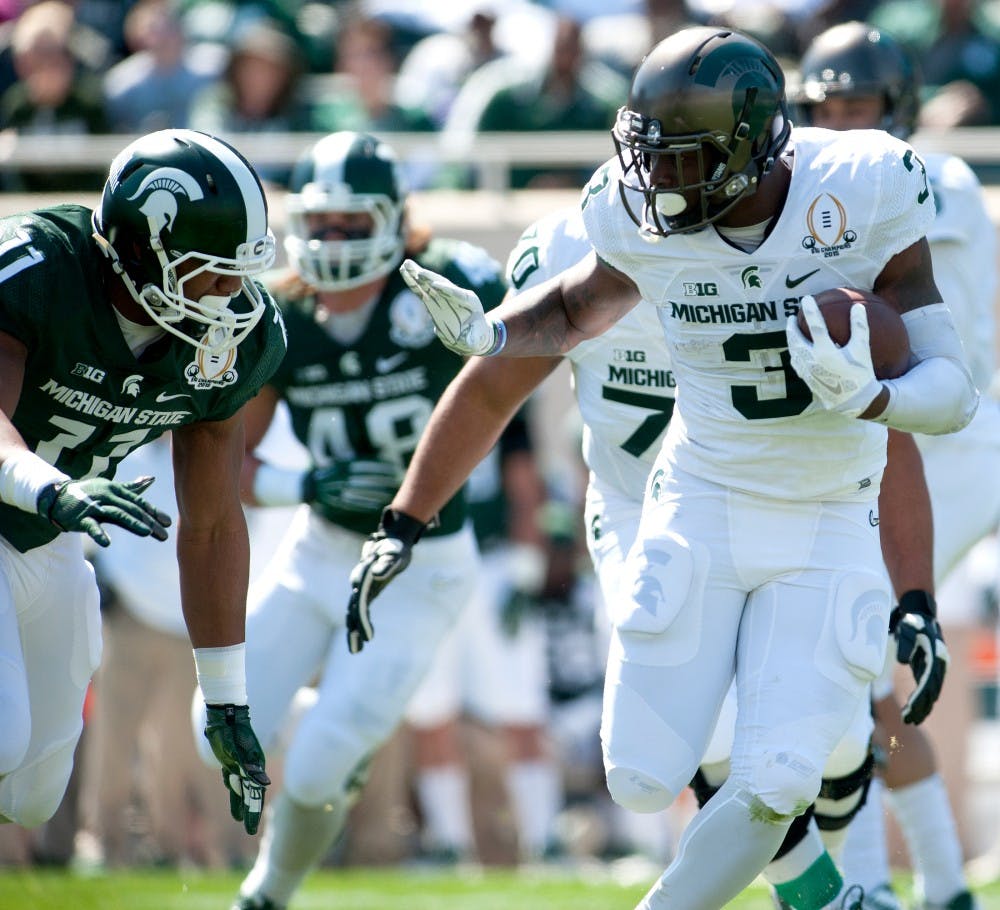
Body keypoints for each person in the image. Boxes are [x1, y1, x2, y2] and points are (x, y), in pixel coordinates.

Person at [351, 25, 978, 909]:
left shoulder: (865, 186)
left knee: (780, 775)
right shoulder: (620, 223)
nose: (656, 180)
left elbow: (948, 397)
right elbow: (565, 311)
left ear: (752, 144)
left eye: (683, 158)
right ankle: (840, 888)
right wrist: (492, 331)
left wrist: (872, 400)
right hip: (690, 497)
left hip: (826, 509)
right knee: (641, 776)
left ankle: (844, 894)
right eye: (649, 153)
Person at [190, 130, 507, 910]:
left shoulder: (446, 287)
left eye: (351, 224)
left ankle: (268, 891)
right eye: (320, 222)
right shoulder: (279, 314)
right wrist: (311, 481)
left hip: (421, 564)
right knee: (214, 733)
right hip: (321, 549)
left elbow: (516, 370)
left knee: (320, 761)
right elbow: (228, 465)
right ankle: (338, 717)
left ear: (396, 221)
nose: (330, 241)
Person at [0, 128, 286, 843]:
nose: (231, 297)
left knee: (33, 792)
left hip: (51, 537)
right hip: (31, 506)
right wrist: (47, 487)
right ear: (136, 248)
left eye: (240, 273)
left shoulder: (232, 344)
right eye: (209, 273)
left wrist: (226, 700)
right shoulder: (40, 271)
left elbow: (215, 522)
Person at [792, 21, 1000, 910]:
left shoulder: (930, 179)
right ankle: (941, 880)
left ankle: (879, 883)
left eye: (860, 104)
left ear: (898, 110)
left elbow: (872, 310)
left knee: (851, 653)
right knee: (866, 670)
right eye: (827, 106)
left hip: (949, 443)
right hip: (908, 441)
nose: (842, 123)